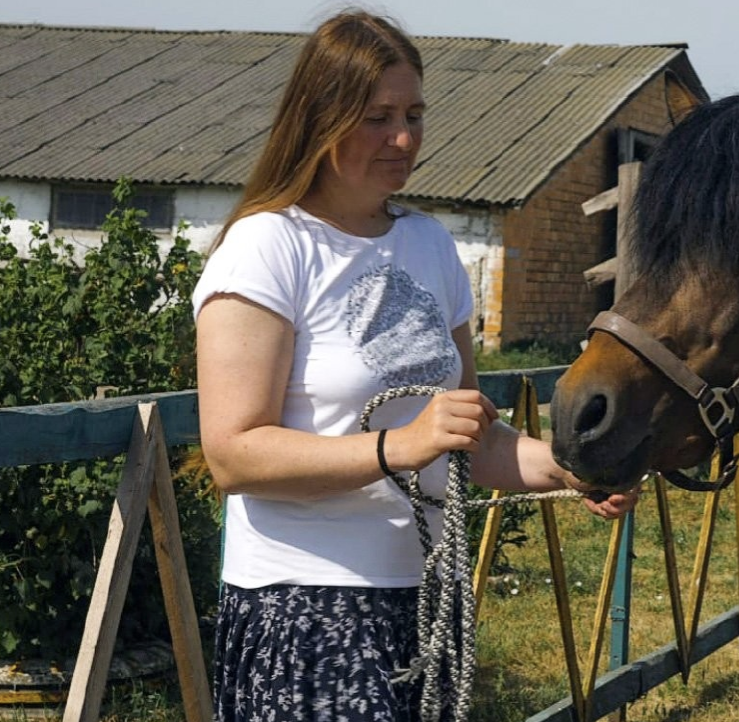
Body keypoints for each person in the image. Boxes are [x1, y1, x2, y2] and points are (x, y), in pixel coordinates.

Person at [192, 10, 638, 721]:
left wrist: (571, 469)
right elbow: (233, 454)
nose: (403, 138)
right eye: (377, 118)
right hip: (306, 607)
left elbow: (470, 439)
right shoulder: (267, 248)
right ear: (320, 119)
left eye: (414, 115)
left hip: (425, 603)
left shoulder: (430, 245)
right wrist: (401, 446)